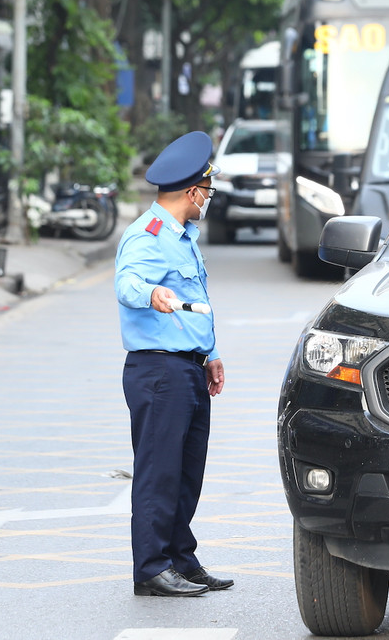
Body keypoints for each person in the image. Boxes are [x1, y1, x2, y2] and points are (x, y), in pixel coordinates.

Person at [114, 131, 232, 598]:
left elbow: (197, 301)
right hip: (158, 372)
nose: (208, 199)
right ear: (193, 192)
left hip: (186, 367)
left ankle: (181, 557)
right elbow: (127, 283)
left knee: (186, 472)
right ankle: (151, 568)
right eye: (208, 191)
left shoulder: (183, 237)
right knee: (158, 472)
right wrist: (151, 294)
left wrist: (210, 353)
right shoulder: (149, 234)